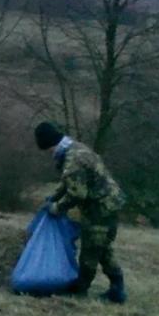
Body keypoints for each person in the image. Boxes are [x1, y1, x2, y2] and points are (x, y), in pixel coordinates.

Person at [35, 122, 128, 304]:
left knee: (91, 249)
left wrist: (56, 208)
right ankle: (117, 288)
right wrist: (54, 197)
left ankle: (81, 289)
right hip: (110, 203)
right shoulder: (76, 148)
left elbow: (78, 193)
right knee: (103, 247)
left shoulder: (72, 160)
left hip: (100, 208)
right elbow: (70, 182)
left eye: (48, 150)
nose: (49, 154)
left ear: (51, 145)